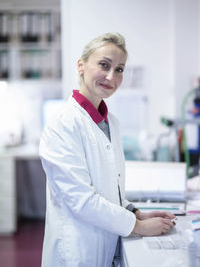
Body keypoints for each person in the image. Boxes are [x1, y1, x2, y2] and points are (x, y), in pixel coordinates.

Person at [39, 32, 176, 267]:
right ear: (81, 65)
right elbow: (80, 199)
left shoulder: (110, 121)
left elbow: (109, 186)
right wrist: (138, 226)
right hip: (78, 251)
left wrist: (134, 213)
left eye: (119, 69)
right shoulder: (63, 124)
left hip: (107, 243)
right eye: (104, 65)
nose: (111, 76)